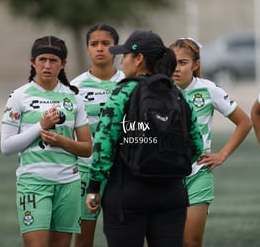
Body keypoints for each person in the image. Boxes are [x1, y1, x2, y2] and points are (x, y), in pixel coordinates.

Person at [85, 30, 204, 247]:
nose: (122, 63)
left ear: (138, 59)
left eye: (125, 57)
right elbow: (196, 145)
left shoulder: (123, 92)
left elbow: (104, 145)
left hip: (127, 193)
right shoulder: (176, 93)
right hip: (172, 194)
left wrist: (94, 187)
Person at [0, 35, 92, 247]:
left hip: (68, 183)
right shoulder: (19, 96)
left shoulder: (73, 98)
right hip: (33, 182)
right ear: (33, 62)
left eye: (53, 60)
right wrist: (40, 126)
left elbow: (86, 149)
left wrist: (61, 141)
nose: (47, 65)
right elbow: (6, 147)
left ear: (63, 64)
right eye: (42, 59)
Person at [168, 37, 252, 247]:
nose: (176, 68)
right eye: (172, 62)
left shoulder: (208, 89)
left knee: (191, 242)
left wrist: (222, 155)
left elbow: (245, 122)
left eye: (183, 62)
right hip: (164, 176)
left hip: (199, 174)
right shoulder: (158, 90)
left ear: (196, 65)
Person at [70, 24, 124, 247]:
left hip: (122, 171)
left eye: (106, 44)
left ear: (116, 49)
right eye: (94, 44)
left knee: (124, 237)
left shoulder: (128, 84)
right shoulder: (74, 87)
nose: (100, 48)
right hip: (87, 171)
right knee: (83, 240)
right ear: (87, 49)